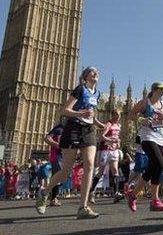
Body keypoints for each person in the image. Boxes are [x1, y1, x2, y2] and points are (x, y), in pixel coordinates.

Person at [35, 66, 105, 219]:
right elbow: (65, 110)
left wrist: (100, 125)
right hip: (73, 128)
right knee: (66, 171)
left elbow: (91, 115)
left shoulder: (97, 94)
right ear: (86, 77)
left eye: (96, 71)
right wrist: (81, 113)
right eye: (92, 71)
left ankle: (83, 207)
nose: (96, 73)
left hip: (89, 130)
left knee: (90, 164)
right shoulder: (80, 89)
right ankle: (45, 192)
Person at [125, 82, 163, 212]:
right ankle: (155, 200)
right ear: (154, 90)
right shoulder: (145, 102)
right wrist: (142, 120)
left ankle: (133, 194)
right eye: (161, 89)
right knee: (160, 165)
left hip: (160, 139)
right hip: (147, 138)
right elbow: (130, 115)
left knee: (152, 169)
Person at [90, 109, 123, 203]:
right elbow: (102, 137)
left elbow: (117, 137)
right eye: (116, 114)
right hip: (105, 150)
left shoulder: (119, 125)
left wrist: (118, 142)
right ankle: (91, 192)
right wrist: (111, 140)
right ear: (112, 115)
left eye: (119, 115)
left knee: (115, 171)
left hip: (114, 150)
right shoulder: (108, 124)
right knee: (100, 172)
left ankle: (116, 193)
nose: (118, 117)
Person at [43, 118, 65, 206]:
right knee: (58, 176)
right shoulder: (57, 129)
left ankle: (48, 193)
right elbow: (47, 138)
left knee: (62, 177)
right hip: (56, 156)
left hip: (64, 157)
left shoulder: (67, 130)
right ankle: (52, 198)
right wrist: (57, 144)